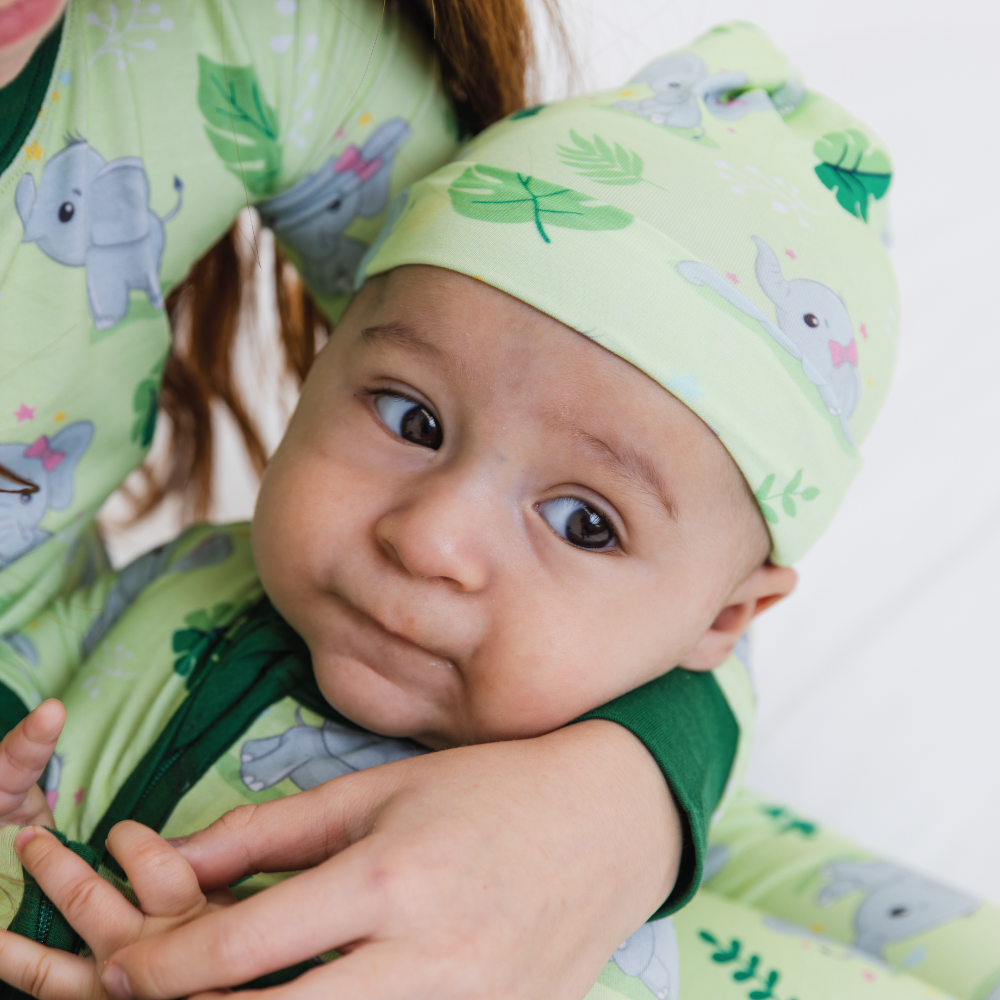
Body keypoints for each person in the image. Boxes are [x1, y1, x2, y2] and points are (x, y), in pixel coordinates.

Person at [2, 21, 1000, 1000]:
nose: (429, 537)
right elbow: (37, 653)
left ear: (724, 618)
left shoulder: (566, 940)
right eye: (411, 417)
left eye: (583, 523)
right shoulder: (198, 571)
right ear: (315, 371)